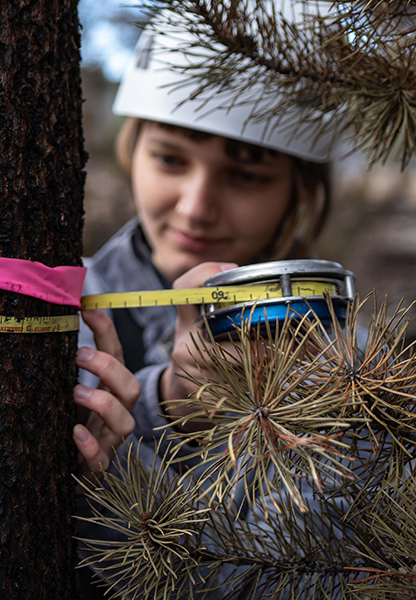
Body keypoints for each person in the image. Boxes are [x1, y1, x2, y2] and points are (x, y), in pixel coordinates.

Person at [70, 8, 342, 598]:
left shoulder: (355, 366)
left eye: (246, 176)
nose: (195, 207)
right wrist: (171, 404)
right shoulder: (68, 312)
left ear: (300, 189)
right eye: (170, 158)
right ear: (133, 148)